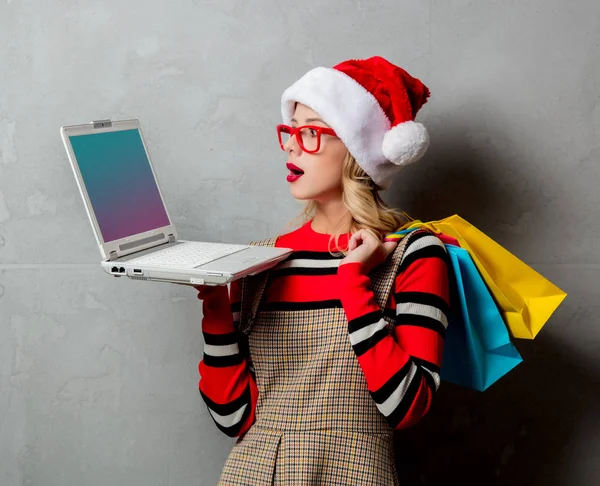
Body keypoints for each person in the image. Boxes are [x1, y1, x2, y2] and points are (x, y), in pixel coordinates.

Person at [195, 56, 451, 485]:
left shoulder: (412, 252)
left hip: (354, 472)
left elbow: (408, 406)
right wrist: (215, 307)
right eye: (290, 131)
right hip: (252, 473)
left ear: (355, 148)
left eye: (310, 131)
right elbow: (232, 417)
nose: (292, 145)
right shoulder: (258, 260)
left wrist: (352, 281)